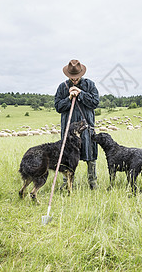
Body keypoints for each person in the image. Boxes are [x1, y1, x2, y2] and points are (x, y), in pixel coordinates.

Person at [55, 59, 99, 190]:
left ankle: (92, 182)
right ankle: (66, 183)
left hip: (86, 126)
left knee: (90, 154)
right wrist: (68, 98)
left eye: (76, 78)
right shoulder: (62, 87)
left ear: (81, 74)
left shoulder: (90, 85)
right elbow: (58, 107)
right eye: (72, 78)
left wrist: (80, 93)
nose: (74, 80)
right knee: (66, 155)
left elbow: (95, 102)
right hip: (69, 129)